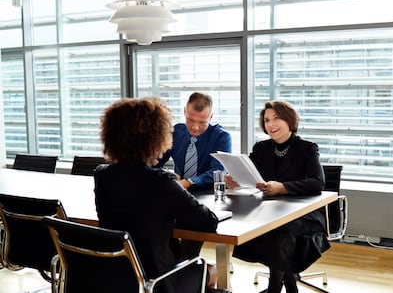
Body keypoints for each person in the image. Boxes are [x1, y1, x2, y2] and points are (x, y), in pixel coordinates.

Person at [94, 97, 226, 293]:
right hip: (158, 280)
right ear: (157, 137)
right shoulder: (161, 182)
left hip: (115, 275)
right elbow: (208, 222)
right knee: (212, 271)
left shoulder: (102, 174)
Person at [225, 100, 329, 293]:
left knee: (278, 236)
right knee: (259, 229)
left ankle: (274, 287)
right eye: (266, 120)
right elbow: (250, 176)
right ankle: (289, 283)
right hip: (270, 213)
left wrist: (283, 188)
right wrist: (236, 179)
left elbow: (317, 182)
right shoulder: (261, 148)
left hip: (304, 215)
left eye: (276, 118)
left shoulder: (307, 148)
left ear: (289, 120)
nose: (271, 124)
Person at [157, 92, 232, 192]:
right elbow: (154, 163)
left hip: (208, 193)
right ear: (184, 112)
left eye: (202, 122)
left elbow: (218, 171)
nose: (195, 127)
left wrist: (189, 182)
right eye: (190, 120)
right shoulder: (175, 132)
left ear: (210, 117)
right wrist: (166, 175)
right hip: (178, 193)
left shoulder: (221, 137)